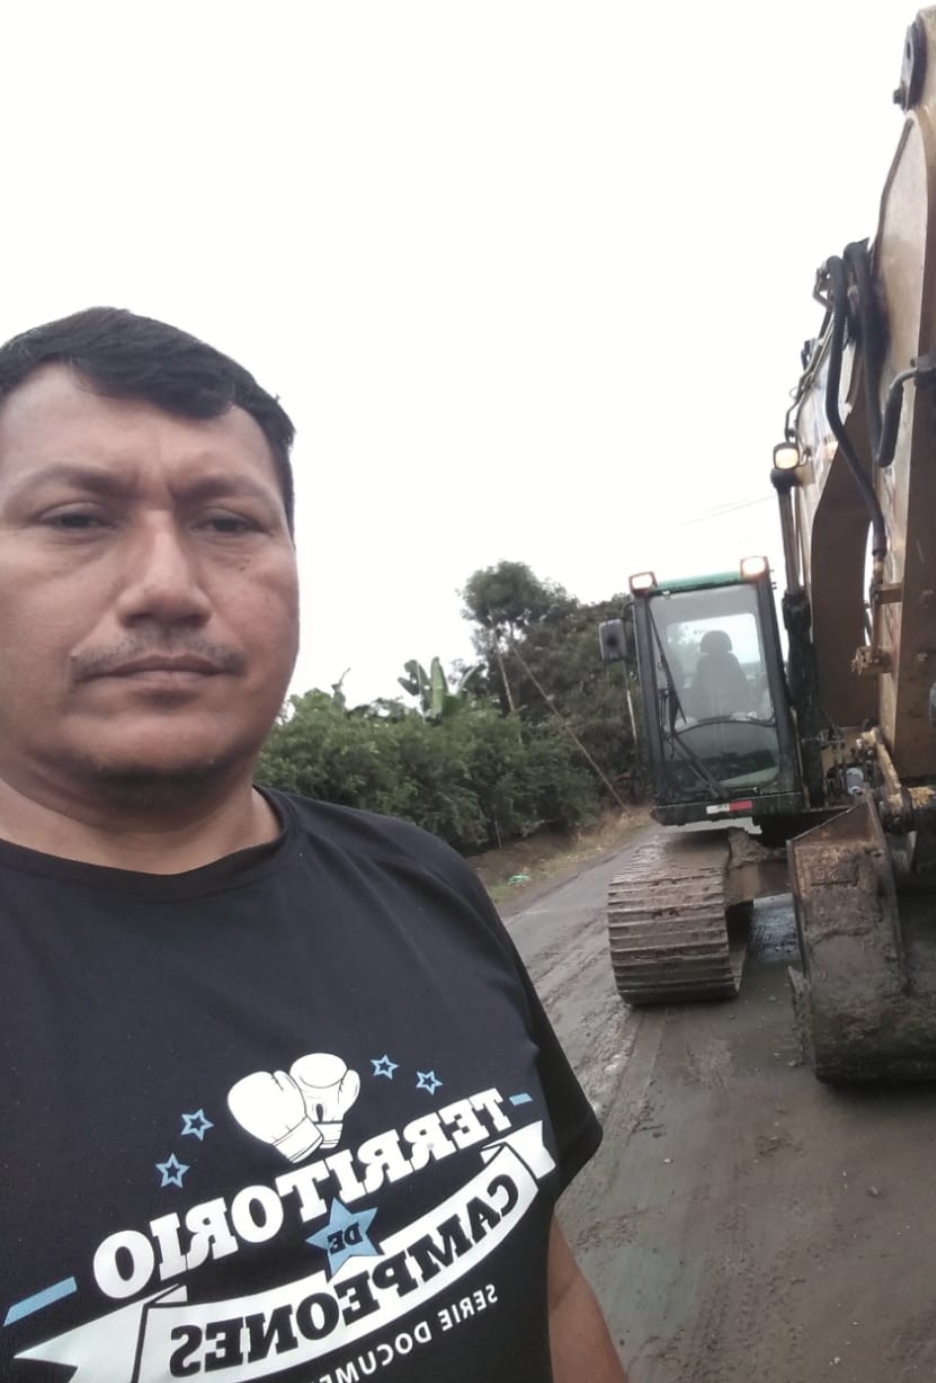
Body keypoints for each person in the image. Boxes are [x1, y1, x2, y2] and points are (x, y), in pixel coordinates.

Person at [0, 308, 626, 1383]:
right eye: (76, 517)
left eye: (228, 521)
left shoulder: (419, 879)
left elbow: (554, 1286)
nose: (168, 585)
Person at [688, 628, 754, 718]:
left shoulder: (731, 661)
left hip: (735, 717)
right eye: (712, 646)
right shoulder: (703, 664)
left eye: (719, 646)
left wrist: (741, 711)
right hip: (706, 719)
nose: (716, 649)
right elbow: (695, 698)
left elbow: (744, 693)